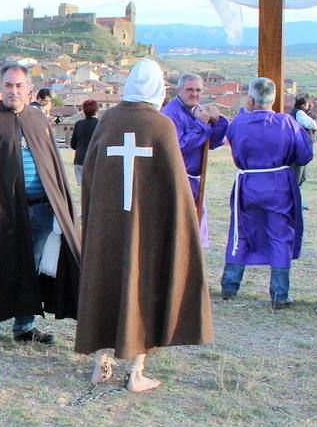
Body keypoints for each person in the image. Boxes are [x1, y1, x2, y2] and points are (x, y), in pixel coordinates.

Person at [74, 59, 213, 392]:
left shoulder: (108, 120)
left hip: (108, 228)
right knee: (144, 288)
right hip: (147, 231)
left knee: (106, 286)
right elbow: (176, 188)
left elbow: (89, 176)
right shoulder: (161, 125)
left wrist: (94, 219)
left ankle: (100, 364)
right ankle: (135, 372)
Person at [0, 61, 80, 350]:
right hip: (3, 213)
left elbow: (52, 164)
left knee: (31, 267)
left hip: (40, 208)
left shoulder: (37, 119)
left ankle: (25, 327)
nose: (13, 91)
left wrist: (59, 204)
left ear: (29, 89)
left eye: (19, 86)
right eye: (8, 85)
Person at [219, 78, 314, 308]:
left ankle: (230, 285)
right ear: (273, 99)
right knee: (280, 236)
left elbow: (231, 141)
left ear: (250, 99)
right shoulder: (287, 123)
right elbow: (304, 155)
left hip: (248, 183)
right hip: (278, 185)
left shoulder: (240, 123)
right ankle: (279, 294)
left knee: (240, 233)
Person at [162, 72, 228, 246]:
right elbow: (179, 146)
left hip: (195, 181)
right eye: (190, 90)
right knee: (183, 229)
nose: (195, 94)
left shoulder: (198, 110)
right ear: (179, 90)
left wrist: (217, 122)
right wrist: (200, 125)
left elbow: (212, 143)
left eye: (198, 90)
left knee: (196, 229)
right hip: (179, 180)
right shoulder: (171, 113)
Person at [70, 99, 100, 187]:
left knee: (81, 192)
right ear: (96, 110)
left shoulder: (78, 124)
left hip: (79, 161)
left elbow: (73, 145)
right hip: (93, 162)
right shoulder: (100, 124)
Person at [292, 95, 317, 187]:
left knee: (301, 177)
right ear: (304, 104)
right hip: (300, 148)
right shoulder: (299, 113)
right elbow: (312, 124)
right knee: (298, 177)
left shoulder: (296, 112)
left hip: (300, 148)